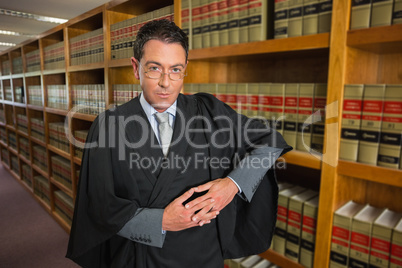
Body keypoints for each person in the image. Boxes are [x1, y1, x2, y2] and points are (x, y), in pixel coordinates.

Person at [66, 19, 291, 268]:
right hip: (139, 257)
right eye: (154, 68)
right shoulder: (108, 125)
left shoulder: (209, 112)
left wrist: (232, 185)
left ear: (185, 69)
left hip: (203, 256)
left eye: (175, 70)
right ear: (136, 68)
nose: (166, 82)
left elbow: (270, 142)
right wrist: (160, 221)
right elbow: (99, 208)